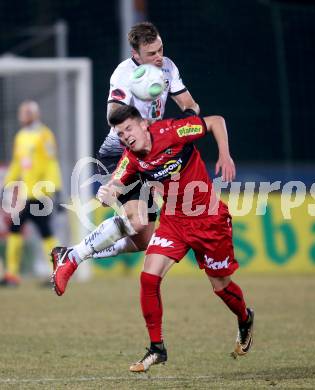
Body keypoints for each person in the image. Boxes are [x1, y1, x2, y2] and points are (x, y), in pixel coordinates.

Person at [52, 105, 254, 371]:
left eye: (129, 129)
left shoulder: (175, 130)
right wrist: (107, 192)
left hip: (209, 221)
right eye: (121, 134)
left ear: (144, 124)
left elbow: (216, 120)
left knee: (221, 287)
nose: (126, 137)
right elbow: (115, 180)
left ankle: (244, 318)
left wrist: (225, 155)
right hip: (174, 223)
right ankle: (157, 348)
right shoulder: (131, 158)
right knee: (148, 278)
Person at [94, 21, 199, 262]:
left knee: (143, 239)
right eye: (151, 53)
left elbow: (191, 105)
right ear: (135, 54)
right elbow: (112, 116)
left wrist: (184, 122)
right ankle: (74, 255)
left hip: (149, 153)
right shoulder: (124, 74)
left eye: (161, 49)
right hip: (120, 152)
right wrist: (140, 106)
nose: (159, 57)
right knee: (139, 221)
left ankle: (75, 252)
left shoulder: (168, 68)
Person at [0, 100, 62, 287]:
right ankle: (13, 275)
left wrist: (55, 190)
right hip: (26, 195)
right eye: (21, 112)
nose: (22, 116)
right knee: (23, 231)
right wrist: (6, 184)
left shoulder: (44, 135)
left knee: (41, 232)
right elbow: (18, 164)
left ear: (34, 115)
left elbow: (51, 163)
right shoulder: (20, 137)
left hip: (41, 193)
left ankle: (56, 274)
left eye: (25, 113)